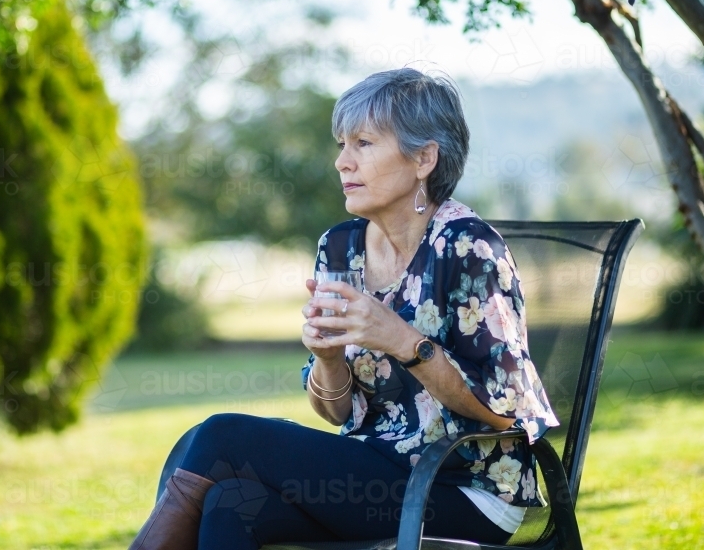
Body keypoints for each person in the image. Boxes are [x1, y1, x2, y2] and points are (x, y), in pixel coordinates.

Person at [128, 67, 560, 550]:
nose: (342, 162)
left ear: (423, 158)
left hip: (464, 487)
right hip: (374, 473)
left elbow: (507, 414)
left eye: (363, 143)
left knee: (221, 435)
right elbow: (336, 413)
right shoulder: (341, 248)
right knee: (230, 501)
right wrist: (327, 359)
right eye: (341, 144)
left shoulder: (468, 249)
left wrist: (400, 339)